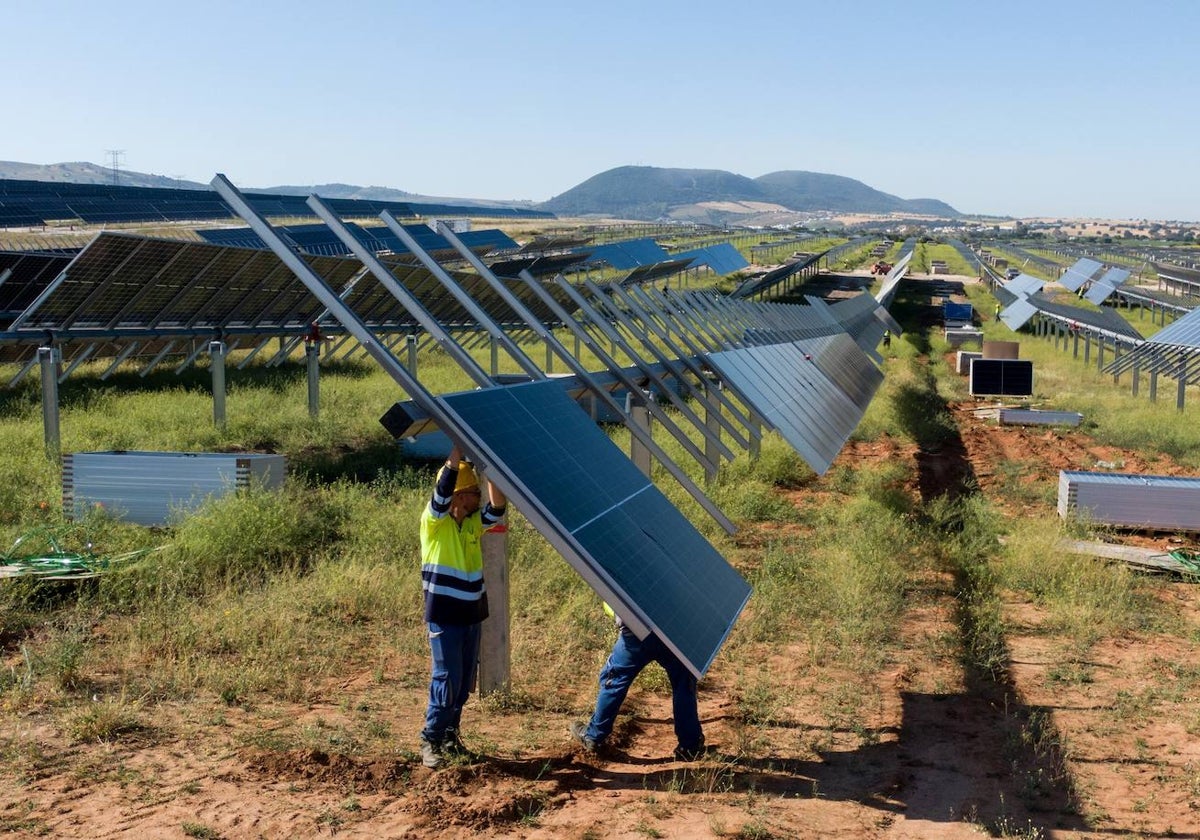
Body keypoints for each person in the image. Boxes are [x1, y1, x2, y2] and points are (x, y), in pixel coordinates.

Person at [418, 444, 506, 769]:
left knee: (465, 678)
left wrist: (491, 467)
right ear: (456, 497)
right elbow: (443, 486)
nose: (477, 497)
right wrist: (456, 446)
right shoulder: (434, 522)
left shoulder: (471, 524)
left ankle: (450, 736)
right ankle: (431, 737)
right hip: (445, 616)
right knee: (447, 678)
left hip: (471, 615)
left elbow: (498, 506)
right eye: (471, 492)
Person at [570, 605, 706, 761]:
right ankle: (690, 745)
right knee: (683, 683)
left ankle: (594, 736)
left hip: (635, 632)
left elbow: (612, 602)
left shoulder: (623, 579)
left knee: (614, 680)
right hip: (673, 630)